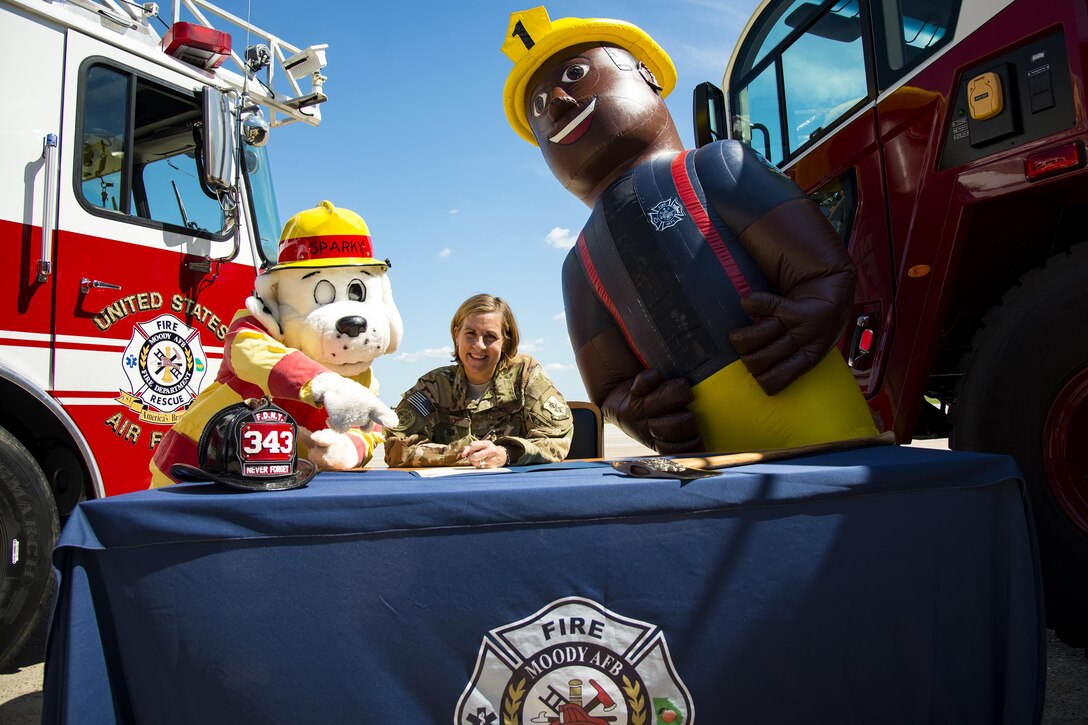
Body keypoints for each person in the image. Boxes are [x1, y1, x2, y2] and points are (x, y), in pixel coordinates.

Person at [499, 8, 877, 455]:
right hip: (704, 458)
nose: (560, 102)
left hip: (816, 413)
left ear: (644, 75)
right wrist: (644, 414)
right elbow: (612, 387)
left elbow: (823, 271)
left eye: (575, 75)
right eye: (539, 108)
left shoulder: (717, 168)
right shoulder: (579, 264)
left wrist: (812, 316)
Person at [384, 294, 572, 468]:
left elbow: (558, 437)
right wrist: (461, 453)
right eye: (470, 334)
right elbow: (396, 447)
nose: (479, 345)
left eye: (490, 337)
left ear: (505, 341)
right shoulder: (434, 386)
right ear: (457, 335)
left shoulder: (525, 376)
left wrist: (506, 453)